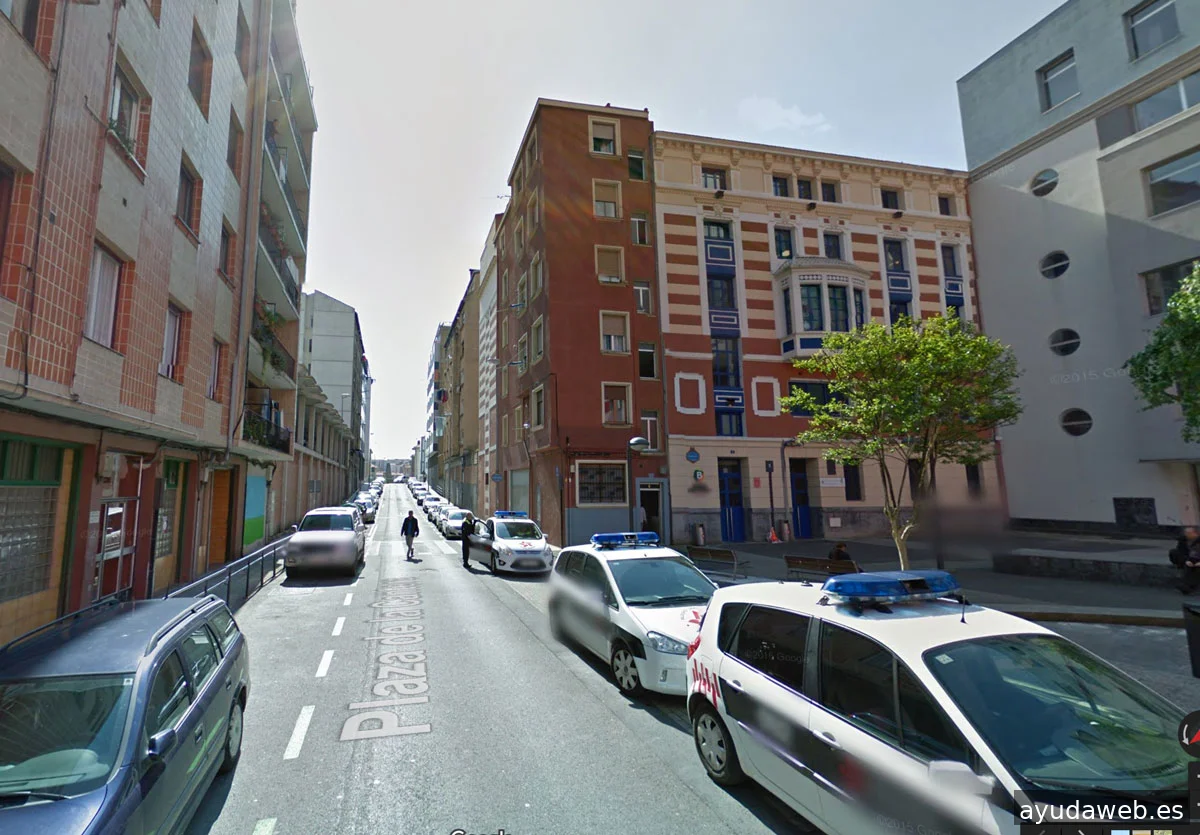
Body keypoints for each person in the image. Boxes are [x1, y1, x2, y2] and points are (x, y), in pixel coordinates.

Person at [1175, 527, 1200, 593]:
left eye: (1189, 533)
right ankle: (1187, 586)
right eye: (1186, 533)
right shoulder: (1183, 540)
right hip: (1193, 558)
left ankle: (1190, 586)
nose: (1187, 534)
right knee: (1191, 565)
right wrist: (1187, 560)